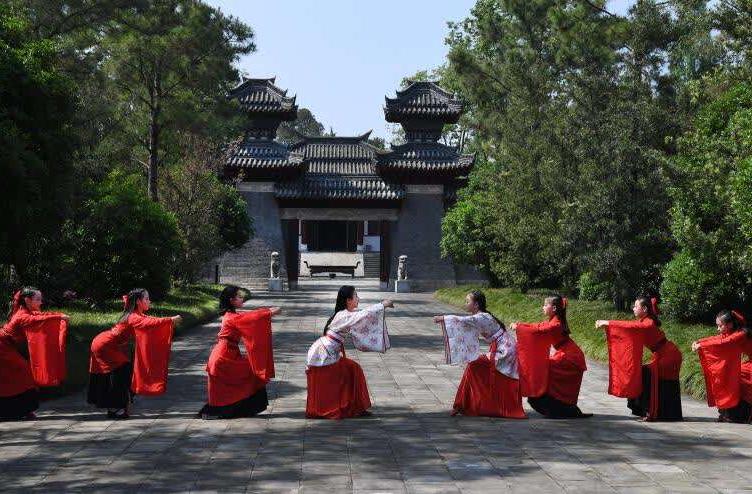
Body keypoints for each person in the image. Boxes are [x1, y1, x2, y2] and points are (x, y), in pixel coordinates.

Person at [88, 288, 181, 419]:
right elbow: (148, 323)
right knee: (123, 372)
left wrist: (168, 320)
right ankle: (116, 407)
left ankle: (115, 406)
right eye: (146, 299)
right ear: (138, 301)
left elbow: (150, 319)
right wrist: (170, 320)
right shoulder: (133, 316)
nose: (149, 301)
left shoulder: (135, 314)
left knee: (122, 373)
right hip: (105, 345)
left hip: (106, 343)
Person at [433, 290, 525, 418]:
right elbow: (467, 324)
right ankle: (469, 403)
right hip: (503, 347)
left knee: (474, 364)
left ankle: (464, 404)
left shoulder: (482, 317)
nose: (465, 303)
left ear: (476, 305)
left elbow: (462, 320)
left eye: (467, 301)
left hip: (505, 351)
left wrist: (443, 318)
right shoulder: (482, 316)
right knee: (474, 365)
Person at [305, 285, 393, 419]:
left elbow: (361, 318)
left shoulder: (345, 314)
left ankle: (355, 407)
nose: (358, 298)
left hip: (327, 352)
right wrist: (382, 305)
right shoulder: (343, 315)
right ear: (348, 300)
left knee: (353, 369)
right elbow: (364, 314)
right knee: (352, 370)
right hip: (323, 354)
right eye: (356, 296)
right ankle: (347, 407)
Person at [199, 286, 281, 419]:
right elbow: (252, 318)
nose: (242, 298)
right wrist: (269, 312)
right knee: (251, 373)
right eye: (239, 296)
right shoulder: (231, 317)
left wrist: (268, 312)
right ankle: (224, 411)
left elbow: (248, 317)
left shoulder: (231, 316)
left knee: (245, 376)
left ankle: (232, 410)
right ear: (231, 300)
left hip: (226, 353)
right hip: (223, 356)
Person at [596, 297, 682, 421]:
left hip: (669, 356)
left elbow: (631, 325)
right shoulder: (644, 321)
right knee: (643, 374)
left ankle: (649, 411)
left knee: (645, 375)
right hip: (664, 354)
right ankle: (648, 410)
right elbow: (630, 327)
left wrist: (609, 323)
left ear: (645, 308)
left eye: (636, 306)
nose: (633, 308)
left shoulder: (648, 322)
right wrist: (609, 324)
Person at [511, 295, 591, 419]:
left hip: (570, 356)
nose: (542, 307)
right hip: (567, 353)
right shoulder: (554, 320)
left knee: (544, 371)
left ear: (554, 308)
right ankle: (561, 407)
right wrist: (520, 325)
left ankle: (559, 406)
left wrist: (519, 327)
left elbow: (539, 330)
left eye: (545, 305)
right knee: (546, 373)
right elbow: (538, 326)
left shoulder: (556, 323)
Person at [0, 287, 69, 420]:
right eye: (37, 299)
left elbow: (40, 316)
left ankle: (21, 409)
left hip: (6, 346)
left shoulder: (25, 311)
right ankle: (20, 409)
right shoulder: (22, 315)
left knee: (18, 374)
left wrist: (58, 315)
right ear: (27, 300)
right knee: (23, 371)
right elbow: (38, 320)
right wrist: (59, 317)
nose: (41, 302)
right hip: (2, 346)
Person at [692, 310, 752, 423]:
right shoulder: (732, 331)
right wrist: (698, 341)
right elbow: (718, 338)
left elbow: (726, 342)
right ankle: (728, 411)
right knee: (729, 374)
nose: (718, 329)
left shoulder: (741, 334)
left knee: (735, 375)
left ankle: (739, 414)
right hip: (749, 362)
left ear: (729, 325)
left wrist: (702, 345)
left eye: (720, 326)